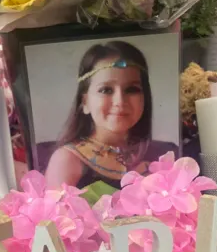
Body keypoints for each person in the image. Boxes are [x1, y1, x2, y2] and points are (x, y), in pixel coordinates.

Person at [45, 40, 177, 189]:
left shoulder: (164, 154)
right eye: (106, 90)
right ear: (85, 102)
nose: (120, 101)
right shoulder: (67, 160)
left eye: (132, 89)